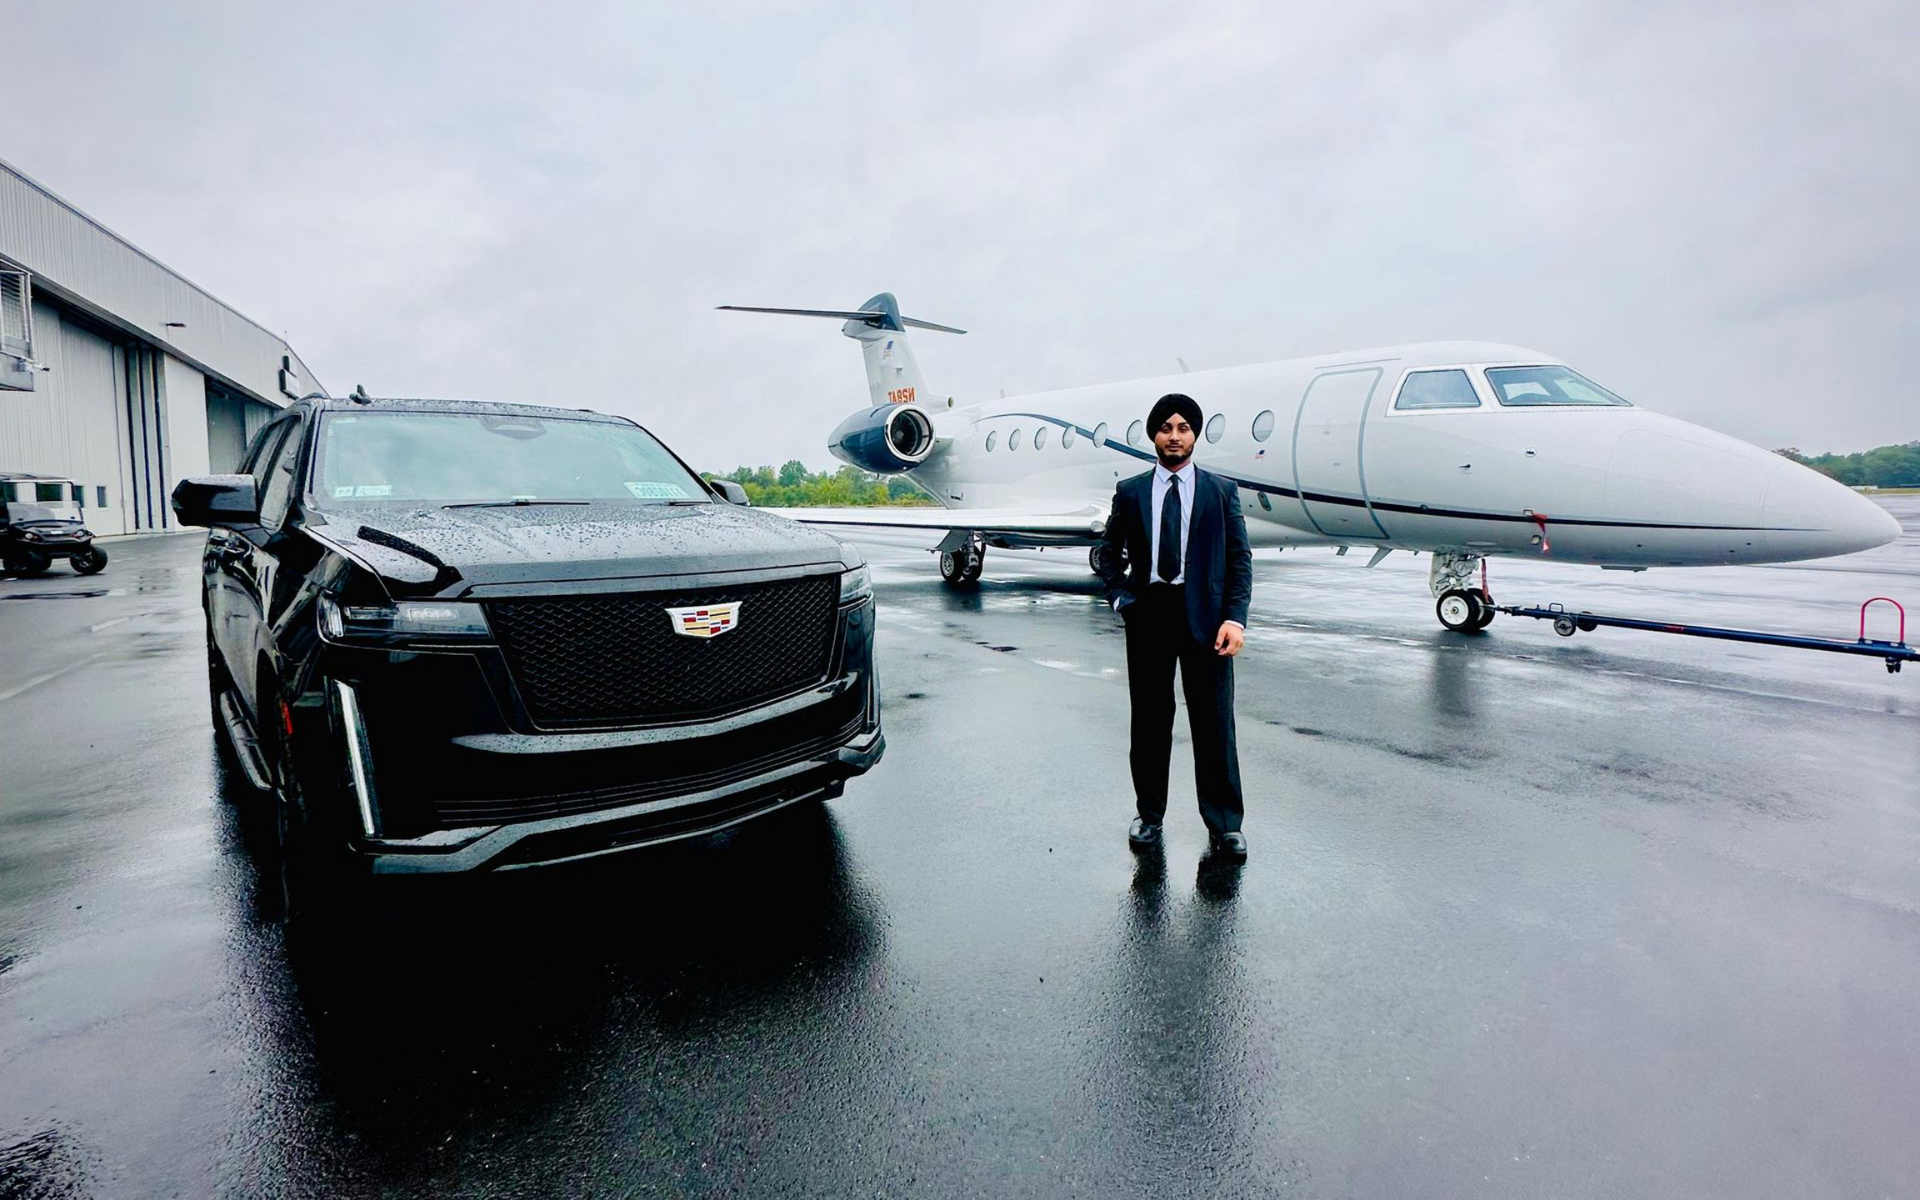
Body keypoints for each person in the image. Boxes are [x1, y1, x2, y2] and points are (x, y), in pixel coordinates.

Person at [1097, 393, 1253, 860]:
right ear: (1154, 435)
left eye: (1183, 428)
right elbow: (1108, 551)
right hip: (1149, 614)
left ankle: (1225, 824)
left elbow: (1239, 559)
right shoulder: (1131, 491)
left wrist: (1235, 618)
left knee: (1214, 723)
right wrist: (1120, 595)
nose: (1174, 436)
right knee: (1149, 721)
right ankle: (1149, 815)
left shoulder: (1220, 492)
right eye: (1166, 428)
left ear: (1195, 435)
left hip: (1207, 619)